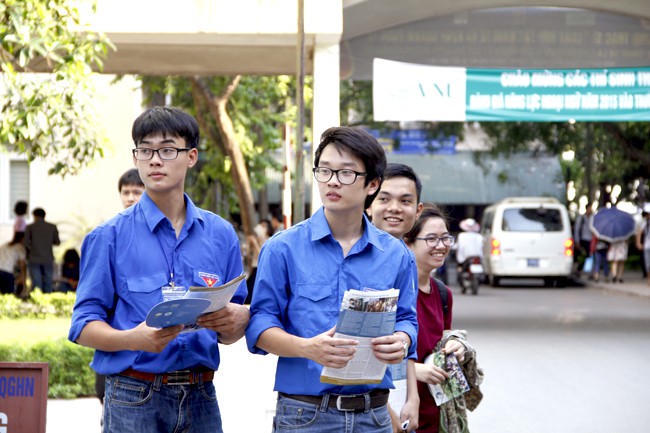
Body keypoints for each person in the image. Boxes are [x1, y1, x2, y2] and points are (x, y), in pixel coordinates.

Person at [68, 106, 249, 433]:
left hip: (201, 396)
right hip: (133, 395)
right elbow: (82, 326)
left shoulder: (221, 234)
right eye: (145, 150)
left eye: (167, 150)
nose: (154, 160)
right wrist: (132, 339)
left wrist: (238, 320)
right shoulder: (108, 237)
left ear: (191, 156)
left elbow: (233, 326)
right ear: (136, 157)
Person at [246, 126, 419, 433]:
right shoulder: (282, 248)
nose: (333, 181)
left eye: (347, 173)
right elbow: (259, 325)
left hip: (374, 416)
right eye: (324, 171)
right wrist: (306, 347)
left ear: (372, 184)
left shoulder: (396, 254)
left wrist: (402, 341)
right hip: (305, 415)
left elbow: (407, 319)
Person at [403, 205, 473, 433]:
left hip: (438, 414)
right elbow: (371, 354)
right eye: (431, 239)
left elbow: (439, 347)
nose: (441, 246)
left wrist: (456, 347)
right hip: (399, 413)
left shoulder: (443, 294)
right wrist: (414, 371)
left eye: (445, 238)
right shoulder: (394, 292)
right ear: (408, 242)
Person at [368, 162, 423, 432]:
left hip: (394, 395)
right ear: (368, 203)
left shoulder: (404, 258)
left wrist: (412, 397)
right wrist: (385, 409)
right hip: (370, 405)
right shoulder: (356, 256)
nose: (394, 208)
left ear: (417, 209)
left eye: (405, 201)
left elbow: (406, 333)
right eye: (384, 199)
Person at [24, 207, 61, 293]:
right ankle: (47, 301)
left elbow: (25, 244)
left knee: (36, 283)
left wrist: (28, 253)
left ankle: (37, 301)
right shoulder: (52, 227)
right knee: (48, 282)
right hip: (48, 258)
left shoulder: (30, 227)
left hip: (34, 258)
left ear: (35, 216)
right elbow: (57, 242)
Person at [245, 218, 272, 305]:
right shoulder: (256, 239)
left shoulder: (269, 240)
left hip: (261, 268)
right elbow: (249, 255)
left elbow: (262, 254)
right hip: (254, 268)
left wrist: (255, 243)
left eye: (264, 226)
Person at [455, 217, 484, 285]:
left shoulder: (461, 236)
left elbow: (458, 246)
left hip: (465, 257)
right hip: (477, 256)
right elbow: (482, 246)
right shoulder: (479, 236)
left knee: (460, 267)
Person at [573, 206, 594, 278]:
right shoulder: (581, 218)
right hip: (583, 239)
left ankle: (589, 272)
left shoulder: (592, 218)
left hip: (591, 240)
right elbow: (577, 230)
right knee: (584, 256)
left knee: (590, 256)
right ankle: (579, 270)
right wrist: (577, 241)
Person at [635, 211, 650, 286]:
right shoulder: (644, 223)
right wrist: (638, 243)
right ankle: (648, 279)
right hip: (647, 246)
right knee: (647, 264)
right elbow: (639, 233)